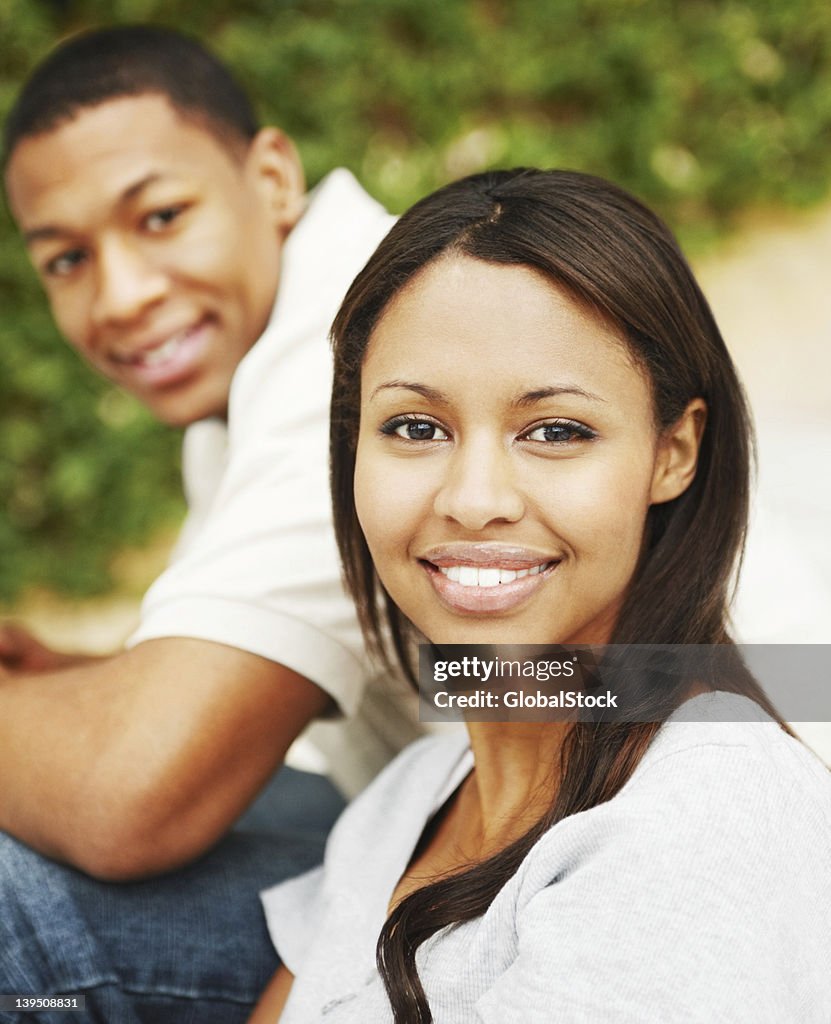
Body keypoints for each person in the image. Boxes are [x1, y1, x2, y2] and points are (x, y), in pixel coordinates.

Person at [251, 169, 831, 1022]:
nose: (472, 497)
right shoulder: (409, 797)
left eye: (555, 431)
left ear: (673, 452)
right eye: (416, 427)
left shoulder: (708, 813)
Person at [0, 24, 412, 1023]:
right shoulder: (260, 355)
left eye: (161, 216)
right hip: (445, 799)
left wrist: (113, 724)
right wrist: (73, 673)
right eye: (65, 260)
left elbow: (129, 793)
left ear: (272, 175)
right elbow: (195, 680)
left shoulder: (360, 356)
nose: (123, 297)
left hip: (639, 851)